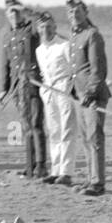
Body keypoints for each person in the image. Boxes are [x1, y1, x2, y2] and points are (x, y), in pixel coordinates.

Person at [68, 0, 110, 196]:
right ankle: (90, 179)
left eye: (77, 11)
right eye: (70, 12)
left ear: (85, 13)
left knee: (95, 138)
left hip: (92, 96)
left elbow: (98, 69)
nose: (74, 15)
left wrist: (91, 92)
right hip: (78, 96)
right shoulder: (75, 36)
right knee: (85, 138)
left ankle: (98, 183)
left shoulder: (92, 35)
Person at [2, 0, 48, 179]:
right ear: (7, 15)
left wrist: (29, 10)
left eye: (17, 11)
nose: (14, 15)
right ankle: (30, 166)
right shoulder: (7, 36)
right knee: (26, 125)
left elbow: (44, 19)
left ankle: (41, 166)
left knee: (36, 124)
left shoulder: (32, 30)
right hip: (17, 88)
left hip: (33, 84)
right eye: (10, 12)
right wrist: (2, 90)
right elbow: (5, 63)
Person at [34, 11, 76, 185]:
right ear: (38, 29)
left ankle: (66, 172)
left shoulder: (64, 45)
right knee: (54, 131)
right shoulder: (39, 50)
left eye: (50, 27)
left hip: (64, 90)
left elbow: (74, 70)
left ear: (55, 28)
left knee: (67, 131)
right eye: (43, 27)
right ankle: (55, 170)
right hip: (48, 93)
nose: (47, 30)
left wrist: (70, 89)